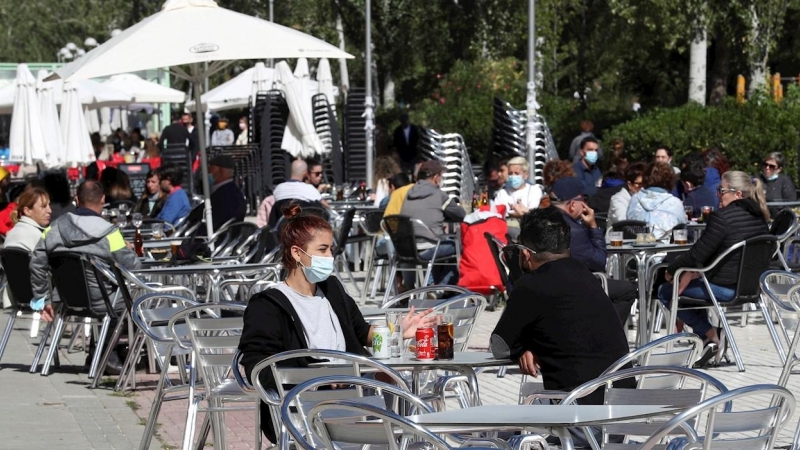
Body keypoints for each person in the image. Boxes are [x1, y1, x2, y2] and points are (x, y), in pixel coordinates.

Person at [238, 203, 435, 443]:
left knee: (408, 401)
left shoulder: (332, 289)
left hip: (355, 395)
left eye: (331, 249)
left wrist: (397, 331)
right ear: (297, 253)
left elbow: (362, 333)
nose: (330, 257)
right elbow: (258, 366)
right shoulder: (267, 305)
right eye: (322, 250)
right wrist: (323, 376)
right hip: (302, 407)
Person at [490, 206, 632, 408]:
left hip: (577, 417)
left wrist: (524, 346)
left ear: (526, 254)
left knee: (497, 432)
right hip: (622, 412)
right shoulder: (585, 275)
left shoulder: (532, 284)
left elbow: (499, 346)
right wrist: (531, 345)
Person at [658, 171, 770, 366]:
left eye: (721, 190)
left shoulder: (722, 217)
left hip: (725, 288)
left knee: (666, 291)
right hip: (752, 288)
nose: (717, 194)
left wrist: (671, 270)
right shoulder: (760, 218)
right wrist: (692, 272)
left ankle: (712, 335)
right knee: (687, 283)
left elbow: (696, 255)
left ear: (737, 194)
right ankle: (707, 339)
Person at [30, 180, 141, 373]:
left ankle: (98, 355)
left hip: (65, 301)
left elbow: (36, 262)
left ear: (76, 199)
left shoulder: (53, 228)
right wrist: (129, 249)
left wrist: (42, 298)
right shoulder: (111, 233)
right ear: (103, 200)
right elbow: (133, 267)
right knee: (137, 297)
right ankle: (110, 353)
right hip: (103, 302)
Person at [550, 177, 637, 324]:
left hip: (542, 283)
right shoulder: (573, 230)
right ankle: (605, 338)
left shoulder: (538, 219)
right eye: (582, 199)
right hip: (568, 287)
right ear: (572, 204)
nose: (585, 204)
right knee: (627, 290)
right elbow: (599, 261)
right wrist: (593, 227)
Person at [399, 160, 466, 286]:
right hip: (429, 249)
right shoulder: (438, 194)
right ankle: (440, 288)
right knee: (459, 245)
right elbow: (461, 214)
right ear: (436, 177)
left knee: (443, 243)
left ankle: (426, 284)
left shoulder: (408, 193)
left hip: (406, 249)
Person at [627, 162, 687, 238]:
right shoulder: (675, 203)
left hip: (638, 247)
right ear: (670, 181)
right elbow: (682, 230)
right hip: (666, 248)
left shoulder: (635, 199)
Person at [5, 187, 51, 252]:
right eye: (43, 206)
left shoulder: (11, 233)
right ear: (27, 211)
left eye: (49, 205)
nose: (50, 210)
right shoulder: (39, 236)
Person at [208, 155, 246, 230]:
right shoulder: (234, 192)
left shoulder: (223, 196)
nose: (208, 172)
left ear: (220, 171)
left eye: (210, 169)